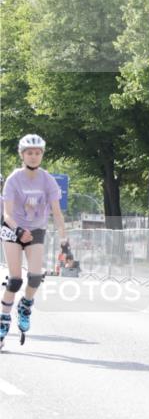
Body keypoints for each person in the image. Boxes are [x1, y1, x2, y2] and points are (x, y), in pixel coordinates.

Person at [0, 134, 68, 345]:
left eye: (37, 153)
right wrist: (19, 230)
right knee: (15, 280)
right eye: (29, 153)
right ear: (22, 155)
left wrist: (64, 239)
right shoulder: (14, 179)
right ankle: (3, 320)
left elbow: (56, 212)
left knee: (36, 277)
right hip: (13, 229)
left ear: (42, 155)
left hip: (37, 228)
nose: (33, 156)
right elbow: (7, 214)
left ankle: (25, 305)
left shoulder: (47, 180)